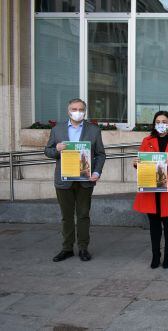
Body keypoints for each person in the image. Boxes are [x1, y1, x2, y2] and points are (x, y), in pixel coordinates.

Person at [44, 98, 106, 262]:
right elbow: (48, 151)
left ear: (85, 112)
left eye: (80, 109)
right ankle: (67, 248)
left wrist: (97, 172)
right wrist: (56, 149)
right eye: (74, 109)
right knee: (66, 216)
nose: (77, 112)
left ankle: (83, 248)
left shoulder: (93, 130)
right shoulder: (57, 130)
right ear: (68, 111)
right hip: (64, 179)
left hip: (85, 179)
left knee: (83, 215)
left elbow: (100, 154)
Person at [133, 111, 168, 269]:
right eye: (158, 121)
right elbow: (142, 163)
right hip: (152, 188)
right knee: (154, 226)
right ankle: (156, 255)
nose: (161, 124)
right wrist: (137, 163)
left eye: (164, 121)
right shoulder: (147, 140)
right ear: (154, 124)